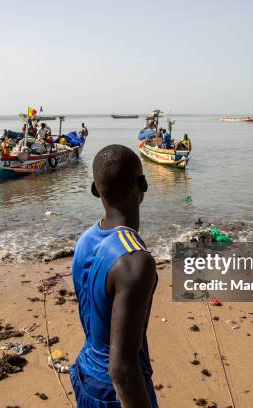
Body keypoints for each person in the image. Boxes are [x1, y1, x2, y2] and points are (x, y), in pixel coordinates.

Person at [70, 145, 158, 408]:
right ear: (142, 184)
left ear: (96, 190)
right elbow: (122, 370)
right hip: (113, 394)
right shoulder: (135, 261)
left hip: (84, 372)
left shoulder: (85, 239)